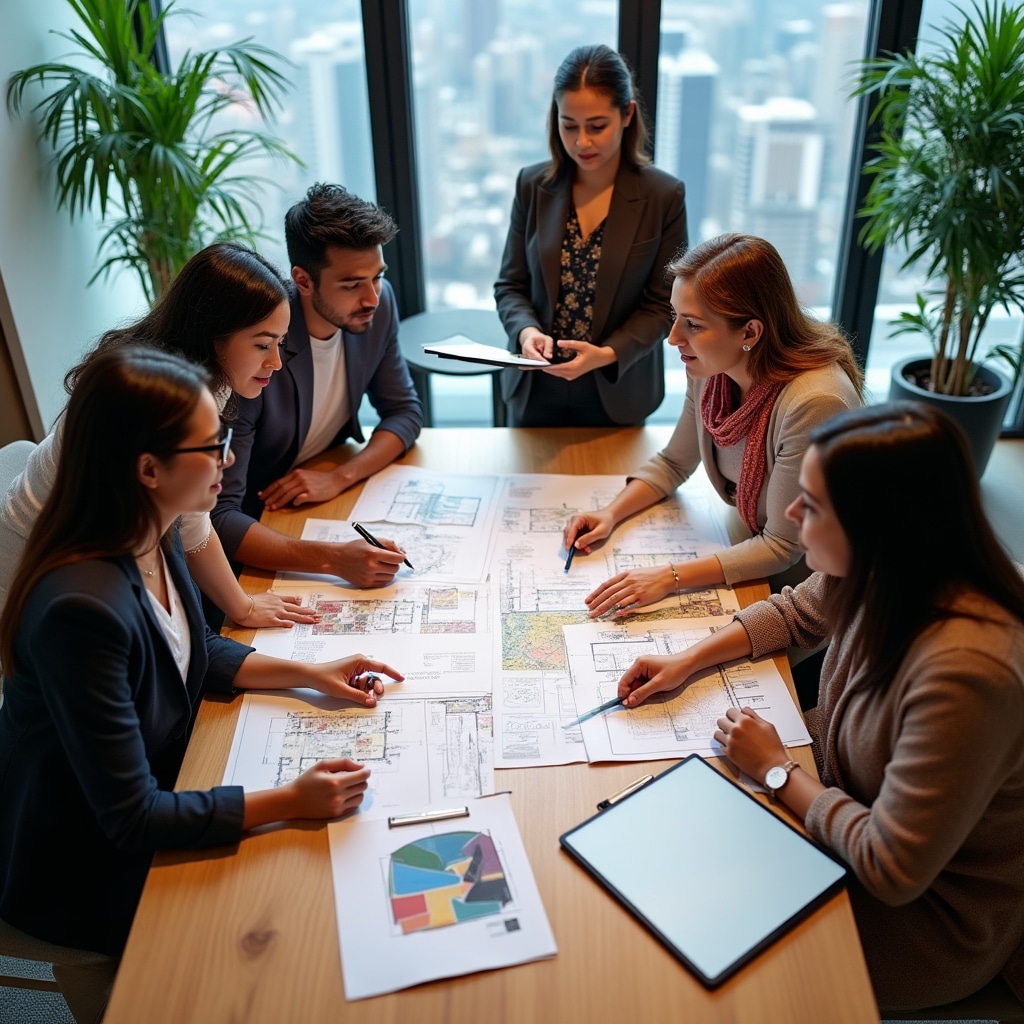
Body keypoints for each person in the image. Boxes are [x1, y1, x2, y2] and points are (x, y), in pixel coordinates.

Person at [0, 347, 402, 1023]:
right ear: (148, 468)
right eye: (211, 444)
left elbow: (193, 650)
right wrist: (289, 798)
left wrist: (310, 675)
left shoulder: (146, 531)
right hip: (78, 860)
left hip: (162, 779)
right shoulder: (80, 609)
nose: (230, 458)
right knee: (276, 950)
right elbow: (132, 818)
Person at [614, 403, 1024, 1012]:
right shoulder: (887, 567)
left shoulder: (968, 674)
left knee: (690, 968)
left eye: (813, 505)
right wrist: (689, 660)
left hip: (925, 918)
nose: (791, 517)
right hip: (832, 803)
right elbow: (795, 612)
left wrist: (779, 772)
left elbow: (892, 867)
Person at [0, 243, 315, 630]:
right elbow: (193, 525)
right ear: (213, 333)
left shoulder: (199, 375)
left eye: (280, 343)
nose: (276, 362)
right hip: (35, 569)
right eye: (263, 345)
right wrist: (244, 608)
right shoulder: (151, 401)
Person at [568, 234, 864, 618]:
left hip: (812, 585)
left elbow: (781, 546)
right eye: (675, 316)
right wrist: (609, 513)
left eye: (692, 324)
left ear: (750, 333)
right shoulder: (710, 367)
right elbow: (675, 462)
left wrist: (669, 577)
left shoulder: (814, 403)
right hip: (745, 541)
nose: (673, 338)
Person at [212, 183, 423, 587]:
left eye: (377, 277)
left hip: (323, 488)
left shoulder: (378, 304)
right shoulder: (257, 347)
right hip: (264, 516)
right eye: (351, 284)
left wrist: (339, 476)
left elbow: (405, 412)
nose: (372, 298)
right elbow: (219, 517)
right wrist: (332, 561)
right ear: (303, 280)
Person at [494, 43, 687, 427]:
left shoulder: (663, 196)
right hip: (535, 385)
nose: (582, 142)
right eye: (569, 125)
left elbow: (664, 304)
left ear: (627, 114)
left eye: (597, 126)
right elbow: (510, 285)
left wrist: (608, 353)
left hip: (616, 386)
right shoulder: (532, 185)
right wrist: (526, 331)